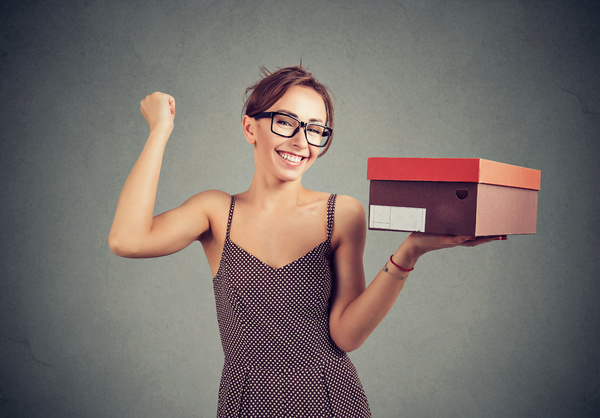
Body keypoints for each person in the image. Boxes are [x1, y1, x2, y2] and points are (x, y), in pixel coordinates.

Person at [108, 65, 505, 417]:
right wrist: (160, 131)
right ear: (250, 128)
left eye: (316, 129)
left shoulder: (342, 214)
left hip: (332, 400)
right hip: (246, 402)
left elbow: (347, 335)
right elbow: (127, 240)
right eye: (286, 121)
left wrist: (411, 250)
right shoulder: (215, 212)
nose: (302, 141)